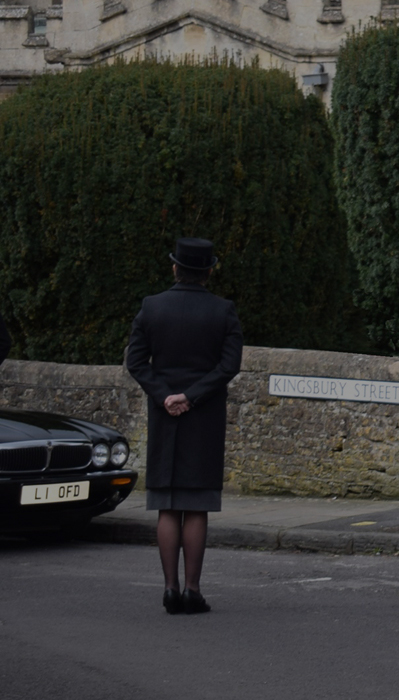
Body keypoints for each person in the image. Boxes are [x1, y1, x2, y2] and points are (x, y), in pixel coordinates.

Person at [124, 238, 243, 615]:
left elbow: (137, 362)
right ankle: (193, 590)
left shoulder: (152, 307)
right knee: (196, 506)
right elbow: (229, 366)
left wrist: (165, 396)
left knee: (166, 505)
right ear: (208, 271)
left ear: (175, 268)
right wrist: (191, 396)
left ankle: (170, 588)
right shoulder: (223, 311)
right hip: (203, 416)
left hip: (165, 415)